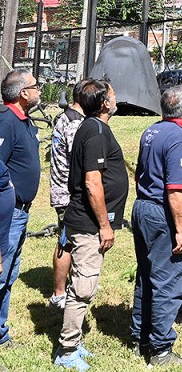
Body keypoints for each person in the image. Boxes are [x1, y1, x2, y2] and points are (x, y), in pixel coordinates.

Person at [54, 79, 128, 372]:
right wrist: (104, 225)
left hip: (88, 222)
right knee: (83, 285)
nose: (116, 96)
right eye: (112, 93)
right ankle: (67, 349)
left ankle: (74, 341)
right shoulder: (95, 131)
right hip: (88, 224)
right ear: (104, 103)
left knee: (85, 282)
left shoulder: (92, 127)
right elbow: (92, 182)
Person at [130, 85, 182, 366]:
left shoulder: (151, 131)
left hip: (143, 207)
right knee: (168, 280)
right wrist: (181, 229)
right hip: (163, 214)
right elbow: (175, 188)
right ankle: (160, 348)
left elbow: (140, 172)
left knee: (146, 275)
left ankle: (140, 336)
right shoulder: (178, 139)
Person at [0, 70, 41, 349]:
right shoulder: (5, 122)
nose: (40, 90)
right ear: (23, 93)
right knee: (1, 273)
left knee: (10, 273)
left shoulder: (24, 121)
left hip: (21, 212)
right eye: (35, 86)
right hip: (8, 213)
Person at [49, 81, 86, 309]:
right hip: (68, 195)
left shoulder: (68, 118)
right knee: (67, 242)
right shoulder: (73, 123)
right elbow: (79, 161)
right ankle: (59, 295)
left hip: (63, 192)